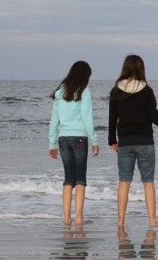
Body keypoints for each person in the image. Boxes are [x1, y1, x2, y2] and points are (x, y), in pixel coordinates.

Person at [108, 54, 158, 227]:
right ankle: (152, 220)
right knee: (148, 182)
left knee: (124, 182)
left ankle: (120, 221)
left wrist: (112, 139)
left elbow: (113, 118)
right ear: (141, 69)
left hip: (125, 141)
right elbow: (152, 114)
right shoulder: (147, 90)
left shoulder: (116, 91)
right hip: (145, 141)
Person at [49, 60, 100, 225]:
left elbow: (54, 120)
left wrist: (52, 144)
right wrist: (94, 140)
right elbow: (87, 118)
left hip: (63, 139)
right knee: (80, 179)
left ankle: (66, 218)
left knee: (68, 178)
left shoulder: (59, 92)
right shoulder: (84, 91)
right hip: (79, 138)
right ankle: (78, 218)